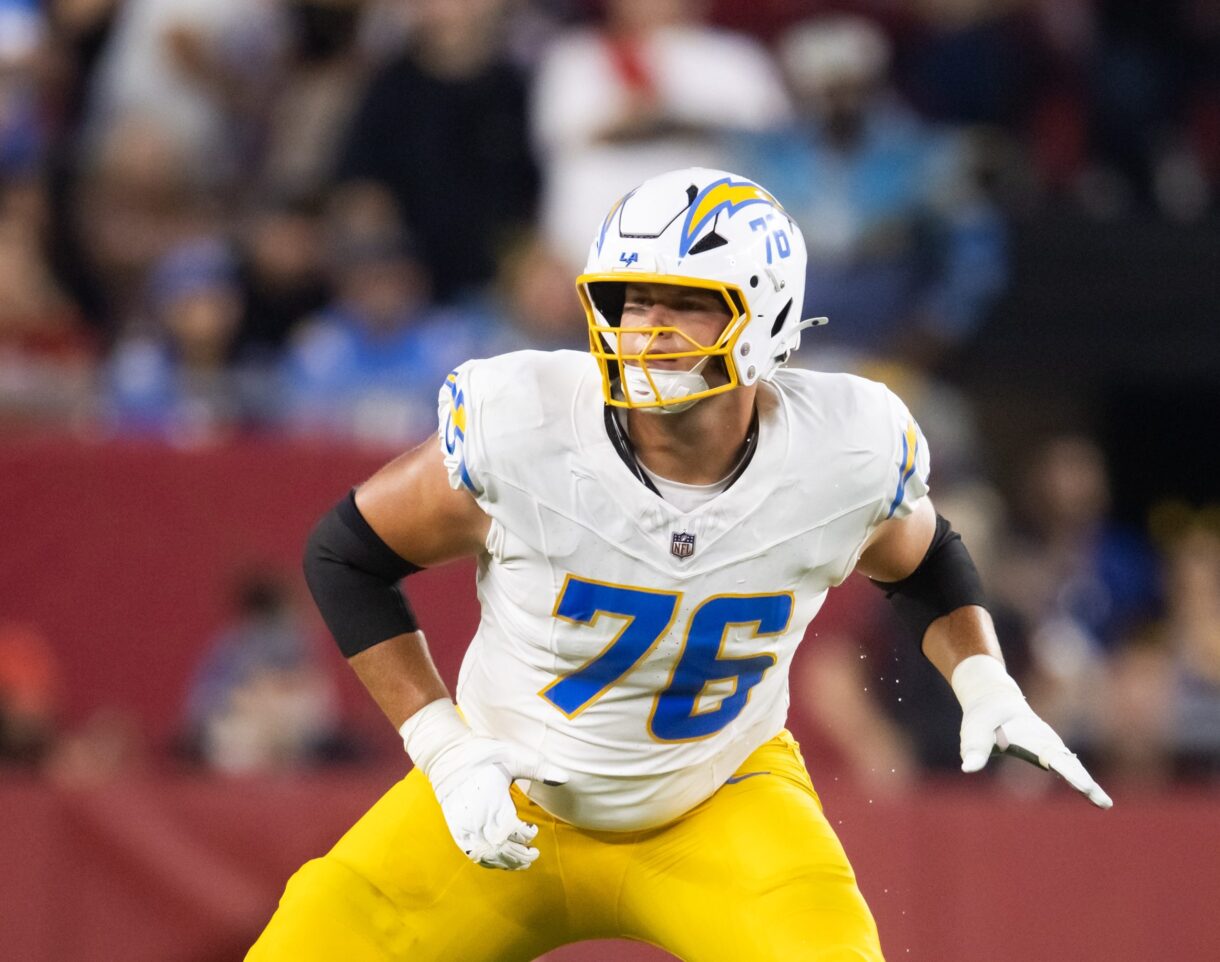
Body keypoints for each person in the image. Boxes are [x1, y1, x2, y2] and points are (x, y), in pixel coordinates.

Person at [249, 168, 1110, 961]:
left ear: (766, 314)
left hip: (717, 797)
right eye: (631, 300)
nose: (646, 328)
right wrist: (442, 748)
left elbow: (923, 561)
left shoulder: (839, 450)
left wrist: (984, 680)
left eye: (685, 304)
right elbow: (344, 554)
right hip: (503, 794)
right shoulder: (528, 426)